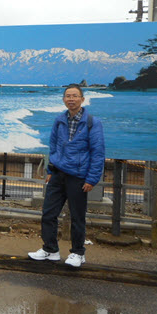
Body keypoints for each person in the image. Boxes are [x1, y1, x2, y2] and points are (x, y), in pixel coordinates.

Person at [28, 84, 105, 267]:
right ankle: (50, 250)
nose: (71, 99)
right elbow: (53, 147)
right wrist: (50, 170)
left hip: (78, 176)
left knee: (77, 217)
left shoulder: (92, 122)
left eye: (75, 96)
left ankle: (78, 253)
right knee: (48, 213)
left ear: (82, 99)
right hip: (58, 174)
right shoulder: (59, 120)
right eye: (68, 96)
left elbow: (98, 152)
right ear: (63, 99)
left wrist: (92, 179)